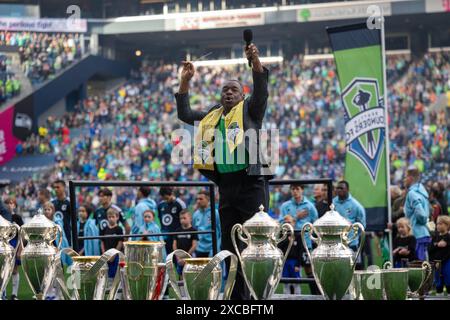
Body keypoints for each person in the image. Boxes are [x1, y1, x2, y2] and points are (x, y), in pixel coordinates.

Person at [175, 42, 271, 300]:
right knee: (229, 245)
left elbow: (261, 91)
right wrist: (185, 81)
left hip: (251, 185)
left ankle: (257, 295)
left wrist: (256, 62)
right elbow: (184, 113)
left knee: (254, 244)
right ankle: (235, 296)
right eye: (225, 90)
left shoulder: (251, 110)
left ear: (242, 95)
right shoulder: (213, 116)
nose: (229, 93)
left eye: (234, 90)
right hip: (227, 186)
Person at [333, 180, 366, 269]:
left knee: (354, 269)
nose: (339, 190)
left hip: (351, 244)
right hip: (335, 244)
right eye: (337, 188)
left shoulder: (356, 206)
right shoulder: (332, 203)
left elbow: (362, 225)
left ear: (347, 190)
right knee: (338, 270)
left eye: (341, 188)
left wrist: (353, 237)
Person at [403, 167, 431, 261]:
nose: (404, 179)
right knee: (424, 267)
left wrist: (421, 221)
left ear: (410, 178)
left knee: (419, 269)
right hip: (422, 234)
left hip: (417, 235)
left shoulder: (412, 193)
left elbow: (421, 214)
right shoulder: (421, 192)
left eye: (405, 177)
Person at [278, 215, 303, 295]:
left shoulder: (298, 234)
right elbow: (279, 247)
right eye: (286, 222)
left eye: (289, 222)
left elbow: (300, 251)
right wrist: (287, 240)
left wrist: (298, 264)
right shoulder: (282, 234)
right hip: (285, 262)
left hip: (294, 262)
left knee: (296, 284)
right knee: (286, 283)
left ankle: (298, 298)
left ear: (293, 223)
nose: (287, 224)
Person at [157, 186, 186, 255]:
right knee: (166, 257)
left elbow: (185, 218)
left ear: (172, 193)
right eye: (164, 199)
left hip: (177, 235)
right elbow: (160, 219)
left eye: (167, 198)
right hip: (165, 235)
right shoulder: (160, 205)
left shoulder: (180, 204)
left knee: (177, 257)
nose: (166, 200)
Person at [192, 190, 221, 257]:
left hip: (213, 248)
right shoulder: (195, 214)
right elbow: (194, 232)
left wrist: (217, 247)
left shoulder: (215, 213)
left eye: (201, 199)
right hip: (199, 250)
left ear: (208, 200)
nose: (198, 201)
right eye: (197, 199)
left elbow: (221, 233)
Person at [4, 198, 23, 300]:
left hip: (15, 244)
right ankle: (3, 293)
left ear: (15, 205)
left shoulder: (17, 217)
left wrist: (20, 248)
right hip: (4, 244)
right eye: (7, 203)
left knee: (15, 269)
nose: (9, 205)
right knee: (3, 270)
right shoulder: (2, 217)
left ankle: (14, 294)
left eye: (11, 203)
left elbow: (22, 234)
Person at [100, 207, 124, 288]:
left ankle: (117, 290)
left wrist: (113, 254)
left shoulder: (119, 229)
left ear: (117, 217)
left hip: (116, 256)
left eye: (113, 217)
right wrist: (104, 253)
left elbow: (120, 242)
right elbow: (102, 242)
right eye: (109, 217)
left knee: (116, 274)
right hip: (107, 256)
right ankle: (109, 290)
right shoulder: (104, 229)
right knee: (107, 274)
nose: (111, 219)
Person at [428, 215, 450, 295]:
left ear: (447, 225)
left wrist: (446, 244)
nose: (438, 226)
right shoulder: (435, 237)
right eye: (437, 224)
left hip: (447, 261)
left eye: (441, 224)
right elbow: (430, 249)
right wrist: (437, 245)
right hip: (437, 262)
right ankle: (439, 292)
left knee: (448, 276)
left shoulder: (448, 237)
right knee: (438, 279)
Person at [173, 209, 198, 275]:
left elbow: (194, 245)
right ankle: (181, 285)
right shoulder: (177, 230)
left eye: (184, 218)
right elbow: (174, 245)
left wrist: (186, 258)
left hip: (190, 257)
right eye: (181, 218)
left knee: (190, 275)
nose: (182, 220)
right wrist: (178, 257)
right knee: (180, 275)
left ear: (190, 219)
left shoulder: (193, 230)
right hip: (179, 258)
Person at [51, 180, 72, 245]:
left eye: (58, 187)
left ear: (64, 188)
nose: (56, 189)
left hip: (66, 235)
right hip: (54, 236)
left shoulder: (69, 203)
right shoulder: (52, 203)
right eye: (54, 187)